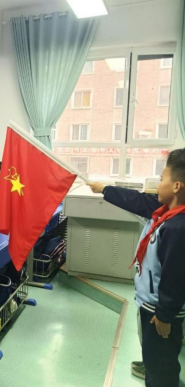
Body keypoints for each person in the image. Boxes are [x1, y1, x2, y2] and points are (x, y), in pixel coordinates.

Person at [88, 148, 185, 387]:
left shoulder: (177, 228)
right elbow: (136, 200)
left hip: (159, 313)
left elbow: (176, 277)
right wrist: (104, 189)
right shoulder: (165, 212)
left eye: (161, 178)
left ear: (176, 186)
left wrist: (164, 315)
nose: (157, 185)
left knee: (162, 369)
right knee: (155, 357)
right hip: (150, 305)